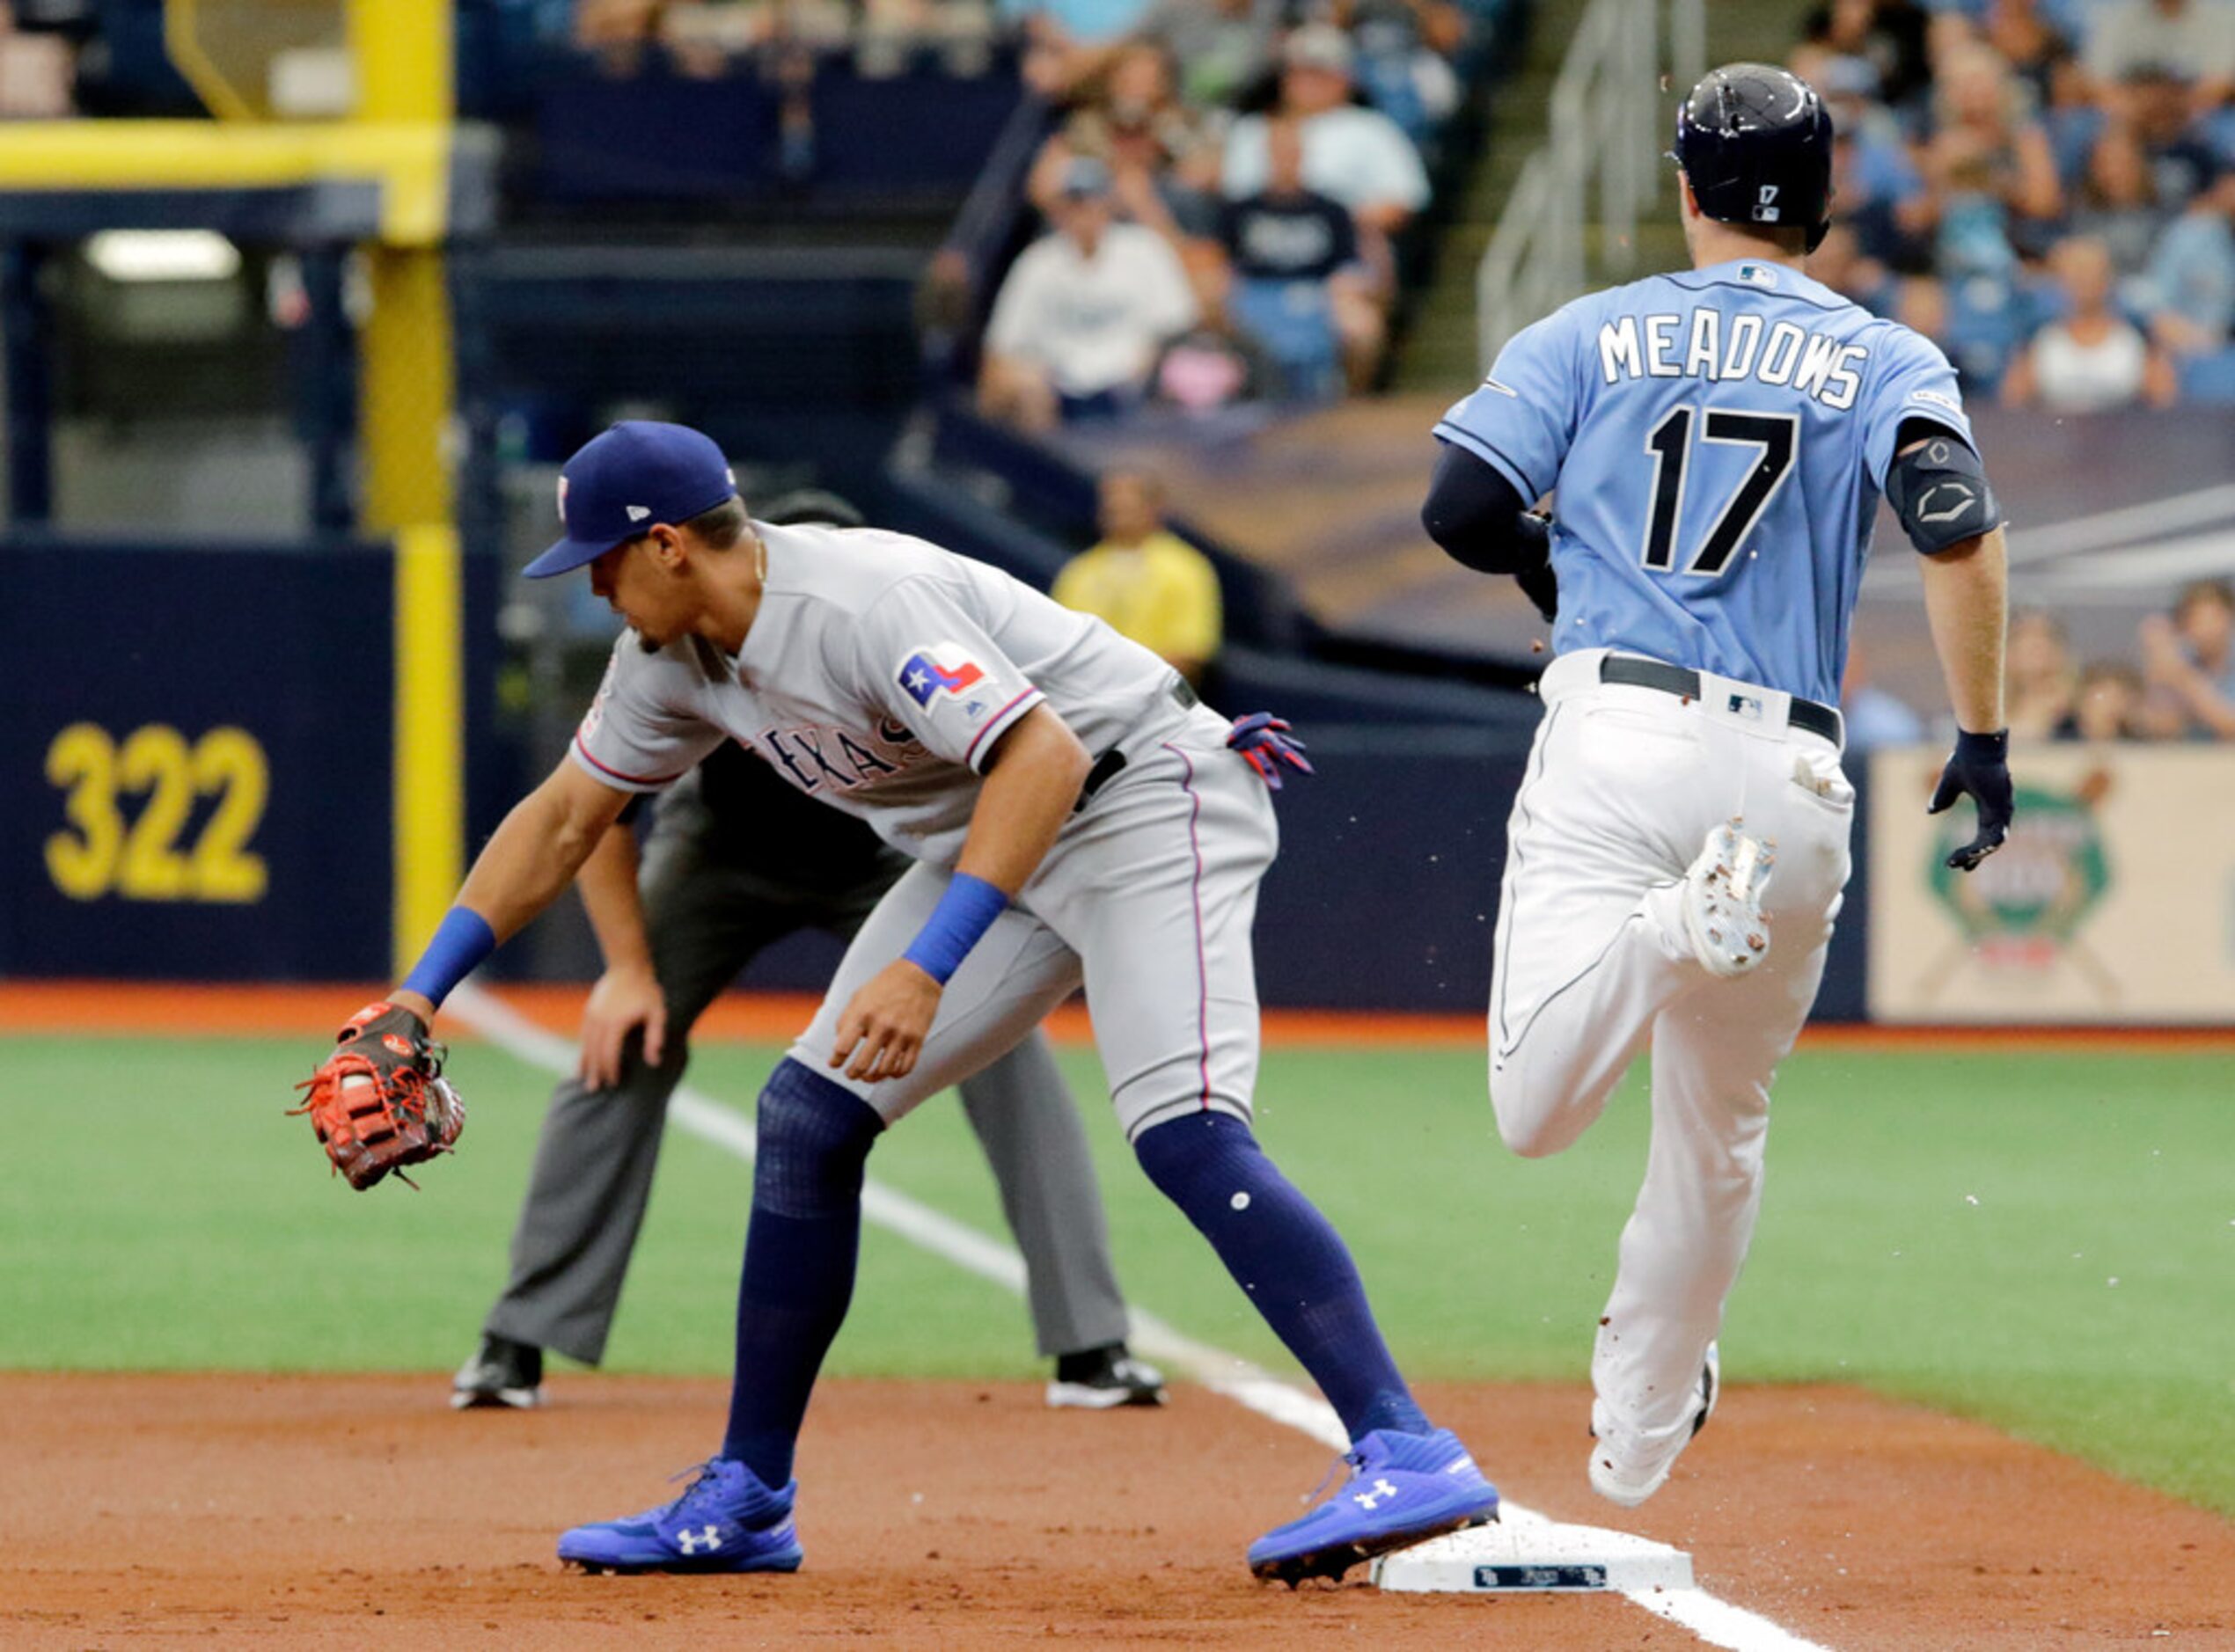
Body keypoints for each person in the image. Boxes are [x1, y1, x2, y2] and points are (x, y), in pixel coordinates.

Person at [329, 420, 1497, 1582]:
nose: (590, 584)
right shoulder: (667, 660)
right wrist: (416, 1000)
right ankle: (748, 1492)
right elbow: (562, 818)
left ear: (672, 544)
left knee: (1183, 1128)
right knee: (808, 1117)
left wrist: (928, 963)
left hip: (1147, 798)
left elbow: (1041, 755)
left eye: (601, 557)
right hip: (1002, 837)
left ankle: (1406, 1442)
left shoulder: (860, 600)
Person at [1421, 63, 2012, 1507]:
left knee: (1535, 1112)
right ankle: (1632, 1440)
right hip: (1790, 771)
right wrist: (1983, 734)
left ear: (1685, 189)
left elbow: (1462, 504)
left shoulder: (1592, 329)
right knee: (1718, 1130)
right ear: (1822, 203)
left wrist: (1545, 563)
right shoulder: (1887, 356)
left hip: (1619, 733)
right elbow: (1954, 522)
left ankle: (1667, 933)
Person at [453, 493, 1164, 1416]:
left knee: (1004, 1046)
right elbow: (590, 822)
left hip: (879, 855)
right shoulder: (693, 643)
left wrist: (937, 967)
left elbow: (1016, 758)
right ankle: (520, 1334)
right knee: (621, 1042)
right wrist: (625, 971)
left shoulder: (876, 625)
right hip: (717, 854)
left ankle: (1090, 1341)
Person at [978, 156, 1199, 432]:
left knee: (1184, 372)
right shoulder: (1038, 262)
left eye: (1090, 200)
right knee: (1018, 383)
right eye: (1075, 202)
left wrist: (1146, 365)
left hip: (1131, 386)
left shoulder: (1144, 249)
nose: (1083, 211)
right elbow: (1003, 343)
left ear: (1107, 202)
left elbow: (1179, 322)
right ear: (1060, 209)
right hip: (1060, 388)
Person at [1050, 471, 1223, 687]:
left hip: (1155, 699)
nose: (1118, 515)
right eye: (1111, 508)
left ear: (1154, 508)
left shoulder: (1186, 568)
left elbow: (1190, 651)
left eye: (1128, 508)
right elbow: (1061, 644)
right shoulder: (1080, 572)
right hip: (1084, 696)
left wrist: (1130, 690)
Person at [2000, 235, 2179, 411]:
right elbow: (2013, 406)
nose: (2083, 280)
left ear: (2109, 277)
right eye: (2075, 273)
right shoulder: (2039, 341)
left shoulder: (2136, 340)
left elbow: (2163, 405)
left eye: (2091, 271)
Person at [2138, 576, 2235, 735]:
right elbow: (2160, 725)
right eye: (2197, 620)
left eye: (2213, 618)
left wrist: (2183, 678)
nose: (2207, 629)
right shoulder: (2181, 660)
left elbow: (2230, 724)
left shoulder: (2181, 671)